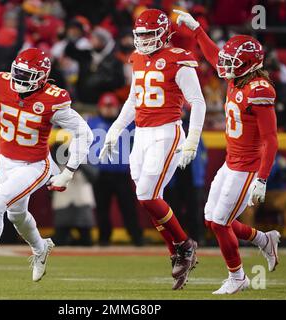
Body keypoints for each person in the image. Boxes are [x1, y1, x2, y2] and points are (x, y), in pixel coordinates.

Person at [0, 33, 93, 287]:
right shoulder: (2, 83)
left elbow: (84, 133)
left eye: (27, 76)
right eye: (18, 73)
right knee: (16, 215)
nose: (20, 79)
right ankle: (40, 247)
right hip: (7, 162)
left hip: (35, 164)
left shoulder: (52, 99)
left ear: (43, 78)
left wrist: (68, 171)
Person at [100, 9, 206, 290]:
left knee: (147, 194)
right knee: (147, 196)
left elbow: (198, 102)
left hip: (166, 131)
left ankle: (184, 245)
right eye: (141, 35)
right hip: (142, 133)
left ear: (163, 34)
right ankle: (176, 253)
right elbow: (133, 100)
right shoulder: (136, 59)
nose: (145, 40)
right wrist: (115, 130)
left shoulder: (178, 58)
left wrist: (193, 139)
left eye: (149, 34)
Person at [176, 10, 281, 294]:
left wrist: (262, 178)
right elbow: (214, 56)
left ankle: (238, 278)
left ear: (248, 64)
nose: (225, 66)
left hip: (248, 166)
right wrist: (197, 29)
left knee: (221, 223)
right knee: (212, 219)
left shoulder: (259, 90)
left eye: (233, 62)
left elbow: (271, 139)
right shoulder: (239, 78)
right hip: (231, 162)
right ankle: (263, 240)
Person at [89, 92, 144, 247]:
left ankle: (136, 237)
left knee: (128, 208)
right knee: (102, 209)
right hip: (100, 174)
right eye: (106, 107)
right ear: (100, 108)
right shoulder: (91, 123)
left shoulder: (127, 124)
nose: (108, 110)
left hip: (122, 173)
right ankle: (104, 238)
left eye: (111, 107)